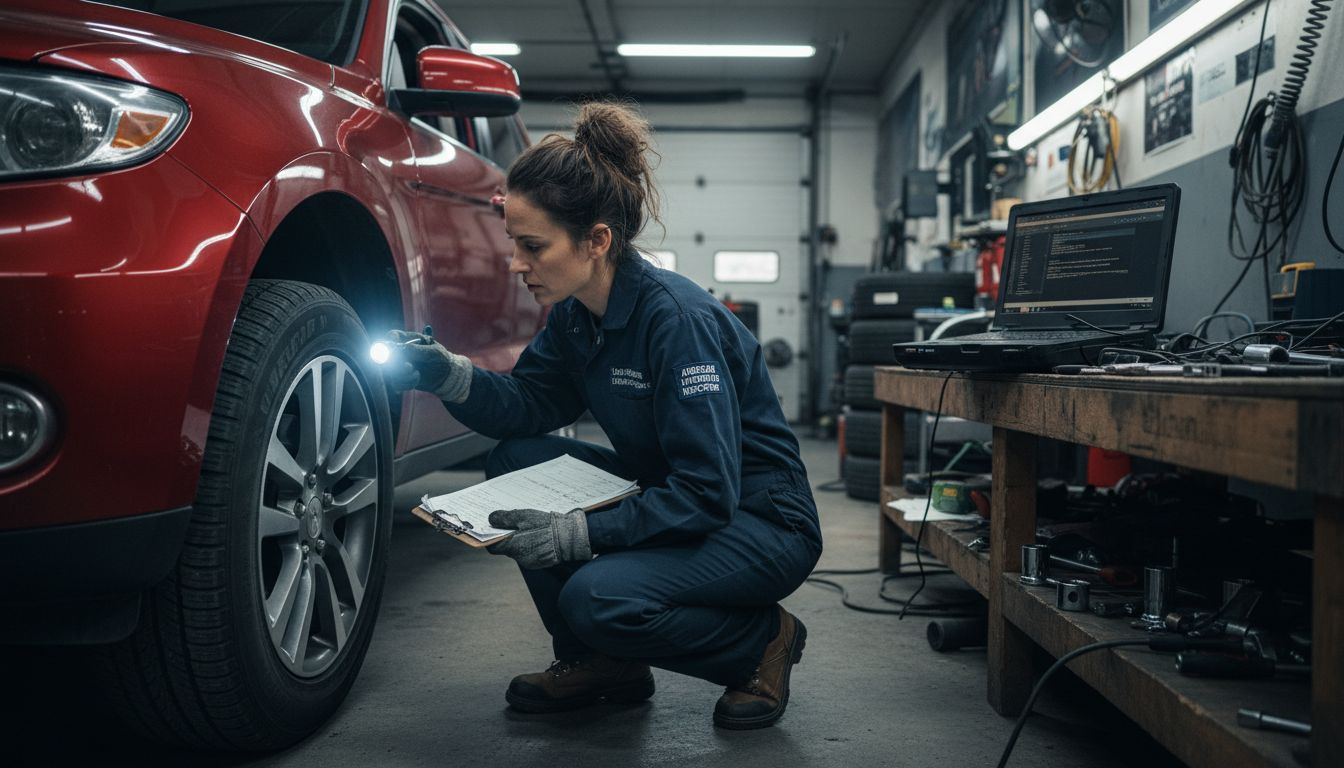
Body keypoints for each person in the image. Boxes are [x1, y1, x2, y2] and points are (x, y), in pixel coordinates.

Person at [385, 102, 823, 730]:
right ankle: (601, 663)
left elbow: (708, 491)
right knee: (516, 459)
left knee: (598, 597)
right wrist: (448, 374)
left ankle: (760, 643)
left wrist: (579, 535)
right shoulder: (575, 314)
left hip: (759, 521)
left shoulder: (677, 324)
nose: (516, 264)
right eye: (514, 243)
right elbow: (530, 405)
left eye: (533, 246)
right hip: (676, 493)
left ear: (596, 241)